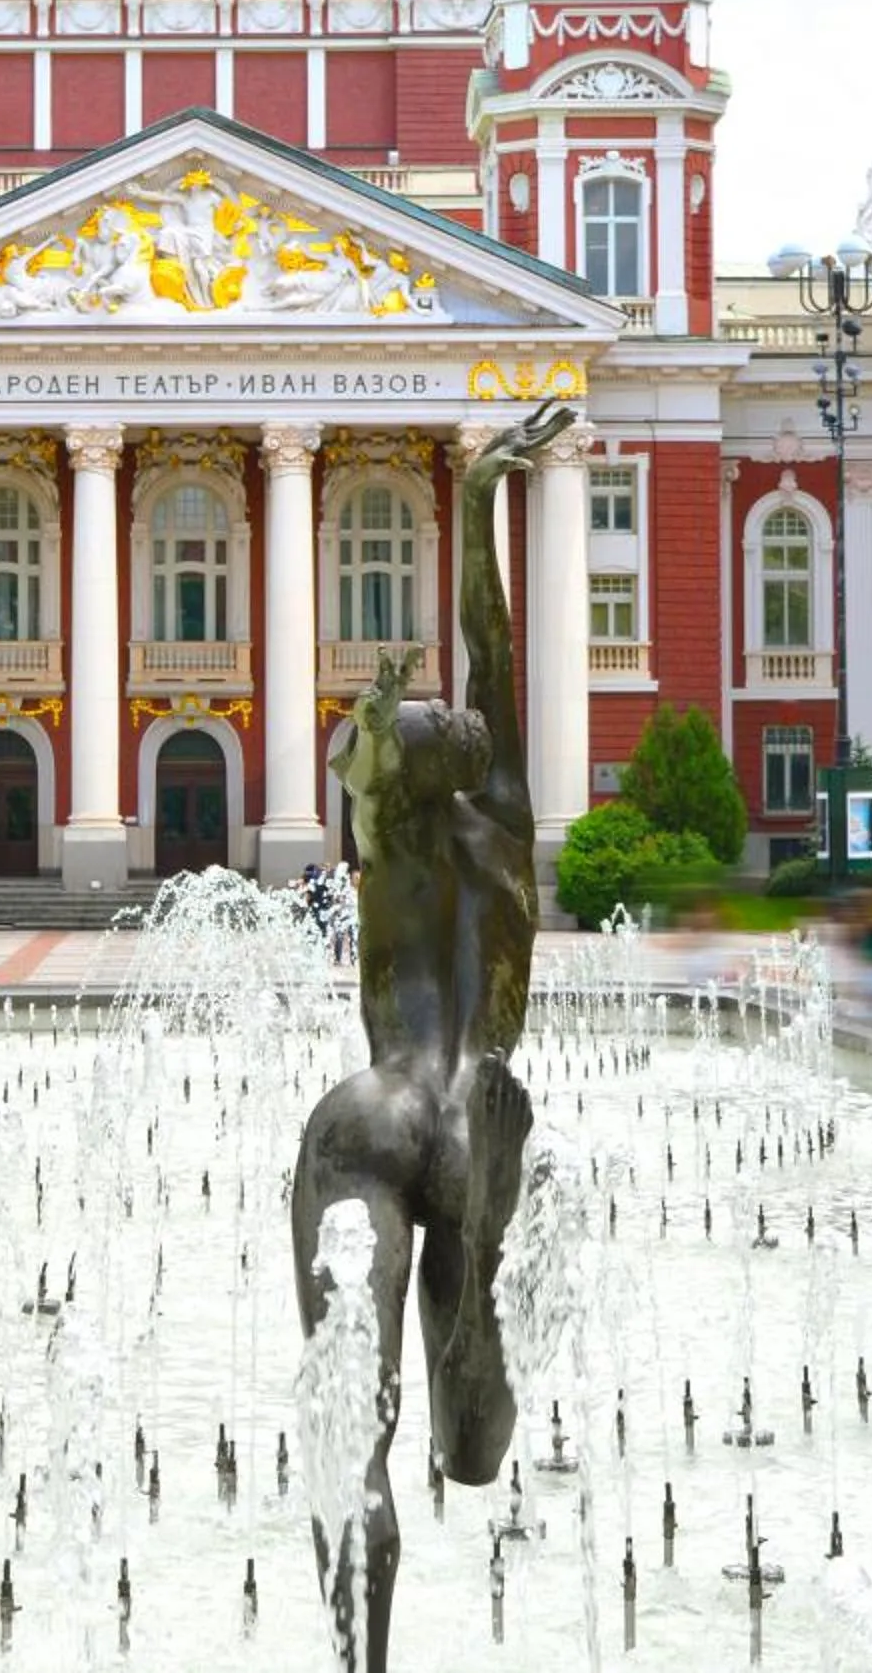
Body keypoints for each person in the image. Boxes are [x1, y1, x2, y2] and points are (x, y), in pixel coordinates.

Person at [287, 405, 567, 1673]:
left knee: (358, 1428)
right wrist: (477, 512)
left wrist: (365, 735)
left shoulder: (387, 836)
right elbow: (492, 650)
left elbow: (360, 776)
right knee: (473, 1442)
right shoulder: (504, 829)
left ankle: (363, 1659)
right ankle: (485, 1284)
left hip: (371, 1109)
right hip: (480, 1114)